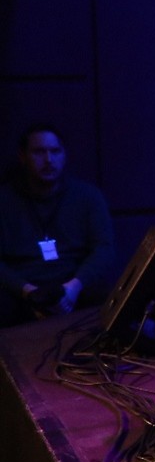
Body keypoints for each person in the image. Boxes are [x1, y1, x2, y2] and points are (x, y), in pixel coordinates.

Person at [0, 123, 116, 325]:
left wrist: (74, 287)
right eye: (39, 152)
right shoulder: (5, 200)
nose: (48, 160)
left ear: (64, 155)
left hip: (73, 283)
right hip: (23, 288)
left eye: (55, 151)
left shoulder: (87, 196)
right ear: (23, 156)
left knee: (110, 299)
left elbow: (104, 249)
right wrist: (27, 292)